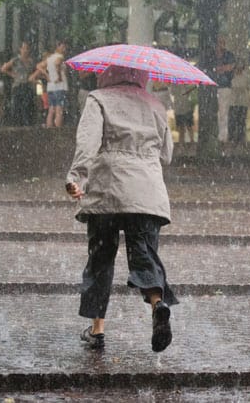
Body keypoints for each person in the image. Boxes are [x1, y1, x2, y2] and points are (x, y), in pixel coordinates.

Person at [65, 65, 178, 353]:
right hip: (146, 193)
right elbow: (166, 154)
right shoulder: (156, 104)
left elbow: (87, 143)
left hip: (108, 190)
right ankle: (157, 304)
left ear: (107, 73)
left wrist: (76, 177)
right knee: (144, 254)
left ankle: (97, 330)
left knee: (101, 260)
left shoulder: (98, 98)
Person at [0, 41, 38, 126]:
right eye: (24, 48)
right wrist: (12, 74)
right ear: (20, 49)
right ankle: (16, 124)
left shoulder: (31, 61)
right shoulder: (16, 60)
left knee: (27, 105)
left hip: (27, 85)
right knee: (16, 106)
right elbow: (3, 68)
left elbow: (34, 71)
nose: (26, 50)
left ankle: (26, 123)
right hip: (18, 85)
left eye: (27, 49)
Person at [37, 40, 68, 128]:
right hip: (59, 86)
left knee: (51, 109)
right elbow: (57, 63)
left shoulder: (50, 58)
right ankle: (58, 130)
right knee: (59, 110)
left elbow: (38, 66)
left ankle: (49, 129)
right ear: (58, 47)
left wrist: (47, 74)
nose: (64, 49)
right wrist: (59, 76)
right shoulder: (60, 57)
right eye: (63, 47)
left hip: (51, 87)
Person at [212, 36, 236, 142]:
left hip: (224, 87)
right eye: (218, 43)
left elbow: (231, 67)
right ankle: (218, 135)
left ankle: (223, 136)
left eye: (222, 42)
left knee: (223, 112)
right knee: (216, 112)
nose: (220, 45)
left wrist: (219, 69)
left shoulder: (228, 55)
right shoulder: (212, 56)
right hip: (214, 87)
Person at [228, 62, 250, 143]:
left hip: (243, 102)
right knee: (233, 121)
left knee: (241, 122)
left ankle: (240, 138)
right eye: (238, 67)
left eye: (241, 67)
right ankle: (232, 138)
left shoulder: (246, 77)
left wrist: (249, 101)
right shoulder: (232, 76)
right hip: (233, 102)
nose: (239, 69)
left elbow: (247, 89)